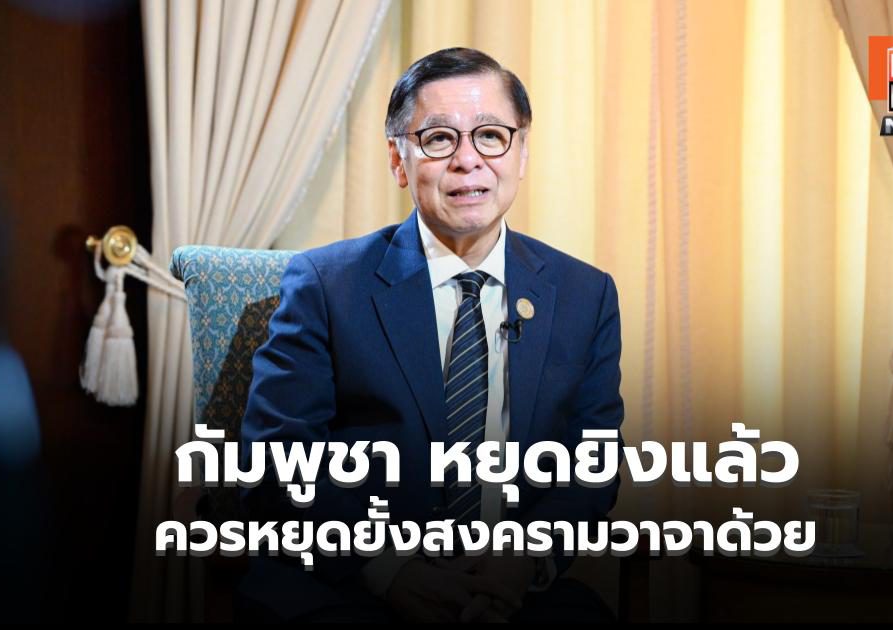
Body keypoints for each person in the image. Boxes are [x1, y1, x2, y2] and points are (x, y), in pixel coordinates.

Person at [239, 47, 623, 622]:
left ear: (521, 153)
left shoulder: (584, 295)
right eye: (439, 139)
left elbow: (591, 464)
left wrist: (524, 560)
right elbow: (277, 457)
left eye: (491, 136)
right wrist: (387, 568)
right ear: (399, 160)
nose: (468, 161)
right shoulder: (326, 284)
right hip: (356, 581)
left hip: (508, 587)